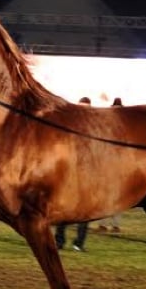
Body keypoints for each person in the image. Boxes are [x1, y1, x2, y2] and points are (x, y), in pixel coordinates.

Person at [55, 96, 92, 251]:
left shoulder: (91, 128)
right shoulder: (70, 126)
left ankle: (79, 242)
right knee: (64, 208)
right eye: (81, 107)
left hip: (87, 173)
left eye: (86, 108)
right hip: (70, 173)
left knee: (86, 210)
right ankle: (60, 240)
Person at [97, 97, 126, 234]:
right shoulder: (125, 123)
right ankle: (115, 225)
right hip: (120, 163)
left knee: (104, 195)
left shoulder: (109, 121)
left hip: (108, 162)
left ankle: (102, 223)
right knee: (118, 197)